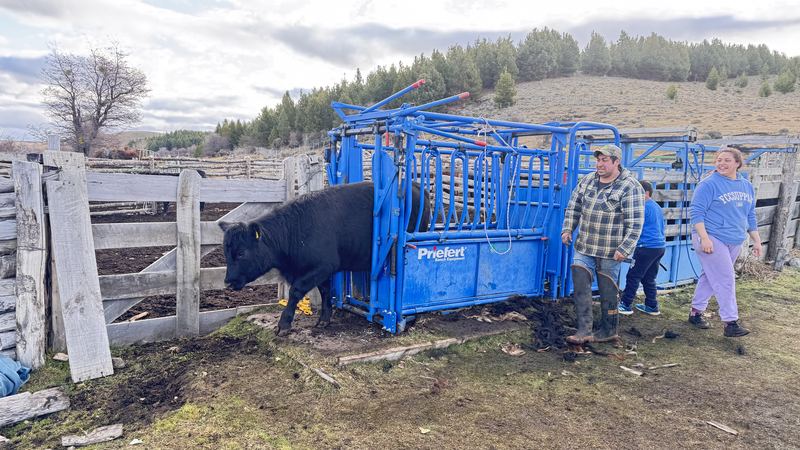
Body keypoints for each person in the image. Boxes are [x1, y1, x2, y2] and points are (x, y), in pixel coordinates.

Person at [561, 144, 645, 344]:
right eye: (598, 160)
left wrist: (625, 248)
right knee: (580, 281)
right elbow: (574, 206)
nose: (599, 164)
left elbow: (635, 222)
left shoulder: (630, 186)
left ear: (617, 162)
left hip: (611, 250)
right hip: (585, 245)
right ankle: (584, 329)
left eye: (604, 160)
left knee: (608, 289)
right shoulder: (588, 180)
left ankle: (609, 330)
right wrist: (567, 228)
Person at [688, 146, 761, 337]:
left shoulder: (746, 186)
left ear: (737, 163)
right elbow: (696, 213)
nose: (722, 163)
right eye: (719, 160)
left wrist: (757, 240)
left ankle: (695, 312)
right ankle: (730, 322)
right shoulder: (708, 184)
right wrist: (704, 238)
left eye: (727, 160)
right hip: (711, 236)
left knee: (710, 276)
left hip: (735, 238)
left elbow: (750, 214)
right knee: (726, 278)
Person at [619, 180, 666, 316]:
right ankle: (652, 305)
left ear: (646, 193)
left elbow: (633, 227)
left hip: (645, 247)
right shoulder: (656, 206)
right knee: (649, 278)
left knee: (633, 276)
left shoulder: (642, 207)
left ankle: (625, 304)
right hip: (659, 247)